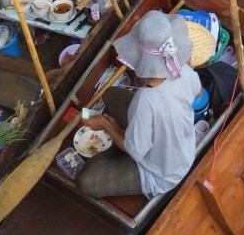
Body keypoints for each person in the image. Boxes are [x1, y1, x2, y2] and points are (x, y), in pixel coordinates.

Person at [75, 11, 202, 199]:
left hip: (161, 173)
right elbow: (197, 93)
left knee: (84, 182)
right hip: (183, 150)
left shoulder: (145, 99)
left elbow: (135, 151)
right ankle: (122, 138)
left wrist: (106, 125)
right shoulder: (184, 69)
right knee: (110, 94)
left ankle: (116, 146)